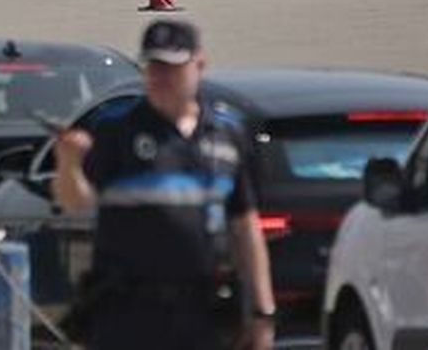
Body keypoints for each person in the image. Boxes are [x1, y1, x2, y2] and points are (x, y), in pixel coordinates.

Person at [53, 19, 275, 350]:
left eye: (171, 67)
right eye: (153, 67)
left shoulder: (227, 135)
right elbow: (76, 203)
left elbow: (244, 225)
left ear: (199, 65)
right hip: (128, 314)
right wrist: (69, 163)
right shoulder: (118, 131)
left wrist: (262, 312)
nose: (159, 77)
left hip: (204, 312)